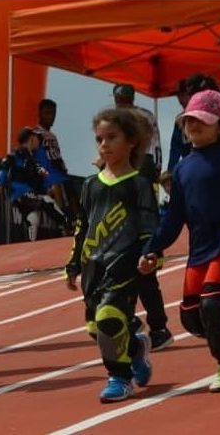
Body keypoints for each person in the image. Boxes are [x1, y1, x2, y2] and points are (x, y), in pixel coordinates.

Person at [140, 89, 220, 392]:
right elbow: (174, 218)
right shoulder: (182, 170)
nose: (194, 126)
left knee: (213, 302)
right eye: (189, 120)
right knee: (192, 318)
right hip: (200, 249)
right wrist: (152, 247)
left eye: (202, 121)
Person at [65, 107, 155, 403]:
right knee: (97, 327)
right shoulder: (91, 185)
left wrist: (152, 255)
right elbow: (83, 225)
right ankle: (135, 347)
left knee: (108, 320)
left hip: (125, 264)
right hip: (94, 266)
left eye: (111, 137)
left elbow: (148, 225)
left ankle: (120, 377)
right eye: (99, 139)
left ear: (131, 141)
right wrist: (74, 263)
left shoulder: (139, 184)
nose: (104, 144)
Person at [113, 83, 174, 351]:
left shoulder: (135, 120)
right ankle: (138, 322)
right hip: (132, 189)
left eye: (124, 98)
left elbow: (150, 154)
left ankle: (158, 327)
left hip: (140, 191)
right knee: (121, 268)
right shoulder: (134, 118)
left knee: (142, 270)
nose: (121, 102)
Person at [0, 127, 68, 242]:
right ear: (31, 139)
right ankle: (67, 225)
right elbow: (5, 165)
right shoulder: (18, 153)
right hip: (21, 193)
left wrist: (47, 186)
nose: (39, 141)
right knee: (46, 201)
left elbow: (39, 176)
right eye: (37, 138)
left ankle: (31, 245)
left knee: (33, 218)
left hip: (25, 195)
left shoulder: (32, 159)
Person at [34, 98, 78, 225]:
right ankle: (63, 221)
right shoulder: (37, 133)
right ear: (40, 114)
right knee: (58, 191)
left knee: (72, 193)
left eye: (53, 114)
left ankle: (76, 220)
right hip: (48, 170)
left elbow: (57, 154)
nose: (51, 117)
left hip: (59, 169)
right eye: (47, 113)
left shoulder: (52, 136)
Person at [168, 74, 220, 172]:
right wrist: (170, 172)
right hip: (191, 168)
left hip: (213, 165)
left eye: (183, 95)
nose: (180, 100)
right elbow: (175, 149)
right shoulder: (179, 121)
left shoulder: (212, 115)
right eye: (177, 96)